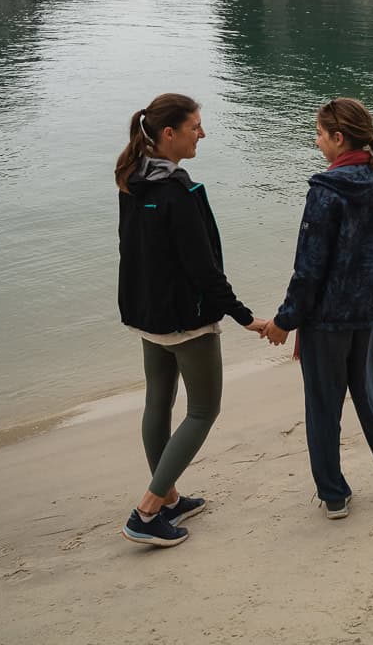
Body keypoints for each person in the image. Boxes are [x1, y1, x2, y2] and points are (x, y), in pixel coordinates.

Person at [262, 97, 373, 519]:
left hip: (326, 319)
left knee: (323, 405)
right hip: (370, 310)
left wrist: (285, 321)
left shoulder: (325, 190)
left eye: (320, 134)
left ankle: (334, 496)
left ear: (339, 138)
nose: (316, 141)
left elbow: (308, 268)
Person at [115, 93, 265, 546]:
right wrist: (246, 318)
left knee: (157, 402)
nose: (202, 133)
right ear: (169, 134)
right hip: (185, 320)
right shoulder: (179, 193)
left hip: (146, 315)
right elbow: (204, 270)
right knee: (203, 409)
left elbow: (133, 252)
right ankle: (147, 512)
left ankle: (171, 497)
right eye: (195, 126)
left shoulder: (131, 180)